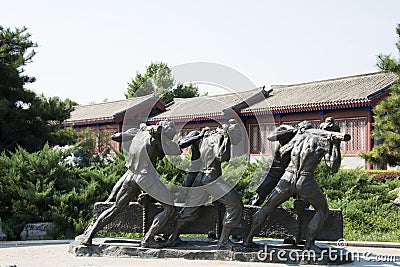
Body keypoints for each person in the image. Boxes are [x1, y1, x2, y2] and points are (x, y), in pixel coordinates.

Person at [244, 121, 350, 252]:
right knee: (322, 210)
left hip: (287, 177)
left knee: (267, 207)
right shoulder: (325, 142)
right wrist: (335, 145)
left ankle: (247, 239)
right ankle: (309, 245)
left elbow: (282, 152)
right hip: (305, 179)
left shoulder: (299, 137)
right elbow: (333, 167)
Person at [79, 120, 182, 248]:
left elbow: (116, 136)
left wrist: (141, 130)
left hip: (130, 176)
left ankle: (89, 237)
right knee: (169, 208)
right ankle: (148, 240)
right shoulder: (159, 140)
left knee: (116, 208)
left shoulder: (140, 133)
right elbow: (177, 150)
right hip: (146, 177)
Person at [166, 119, 243, 249]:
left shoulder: (207, 137)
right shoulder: (218, 137)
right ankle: (223, 241)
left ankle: (172, 238)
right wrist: (227, 139)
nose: (239, 138)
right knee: (235, 204)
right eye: (238, 135)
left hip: (200, 178)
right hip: (212, 178)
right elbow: (221, 156)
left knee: (189, 209)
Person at [250, 124, 296, 206]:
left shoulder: (293, 143)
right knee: (259, 196)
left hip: (287, 174)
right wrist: (290, 130)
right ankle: (248, 214)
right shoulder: (280, 144)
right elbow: (270, 136)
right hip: (272, 174)